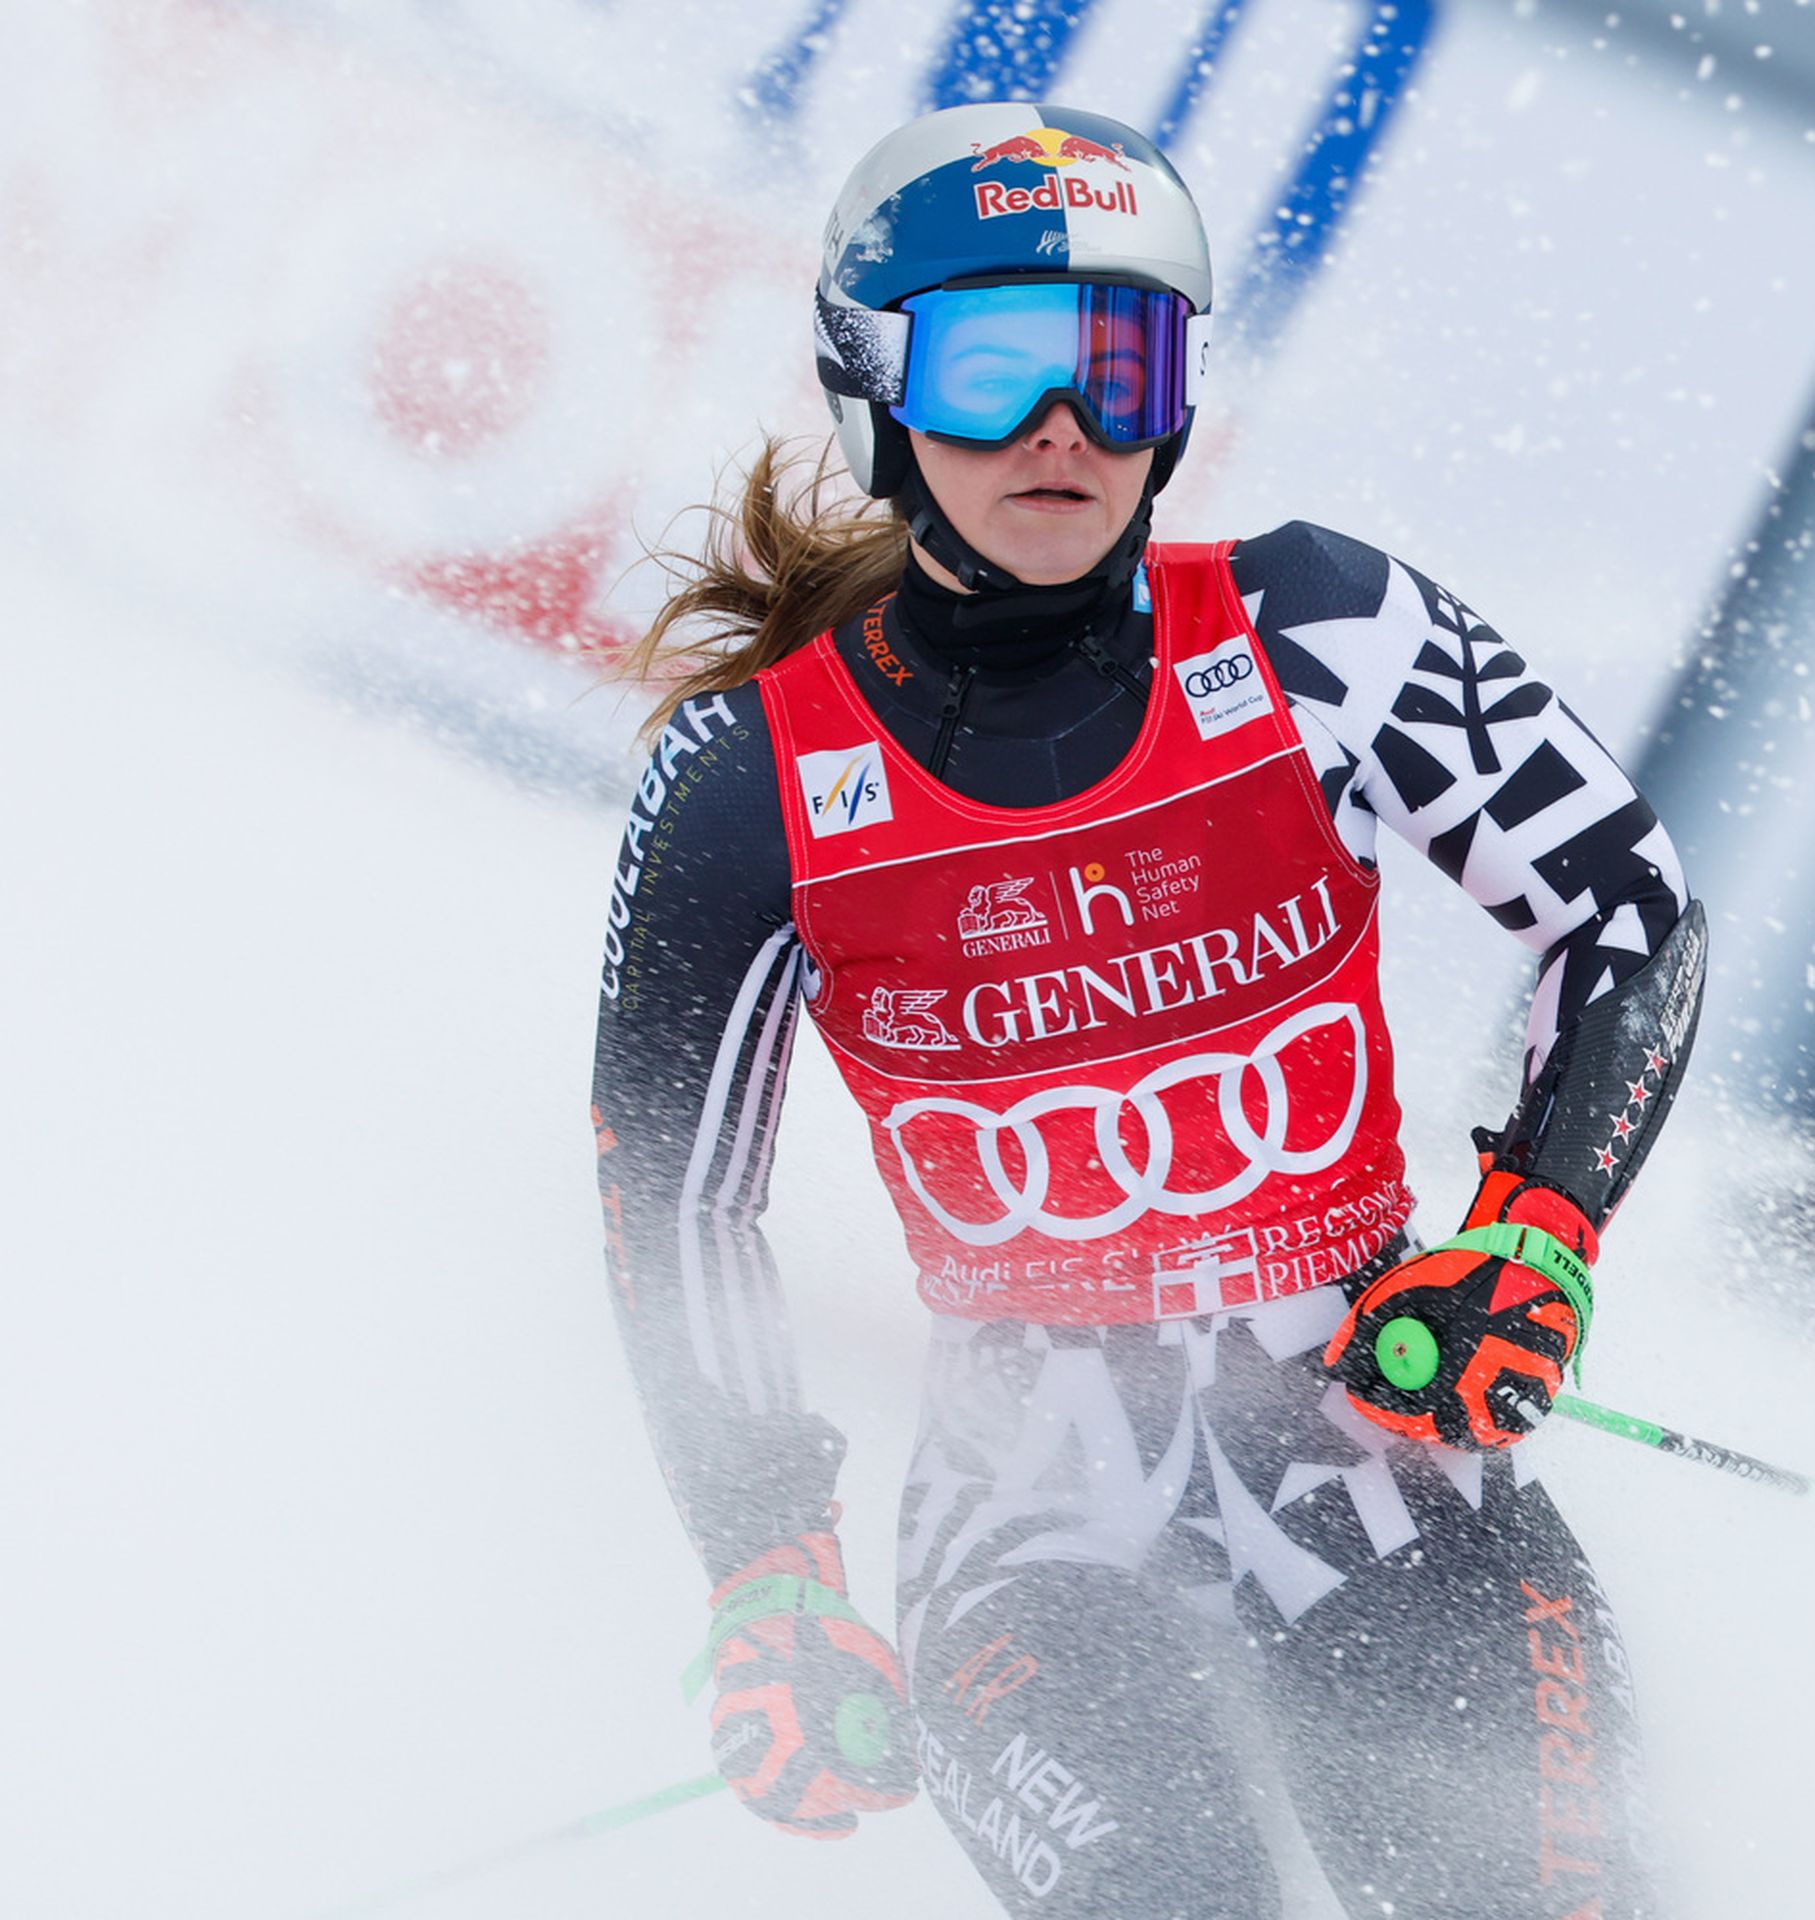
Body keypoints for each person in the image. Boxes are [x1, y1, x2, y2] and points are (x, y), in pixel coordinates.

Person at [591, 101, 1705, 1919]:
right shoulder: (753, 780)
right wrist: (770, 1574)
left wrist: (1537, 1234)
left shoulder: (1320, 632)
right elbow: (675, 1202)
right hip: (1037, 1538)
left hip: (1384, 1448)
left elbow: (1630, 918)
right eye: (999, 364)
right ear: (875, 380)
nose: (1065, 428)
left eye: (1119, 365)